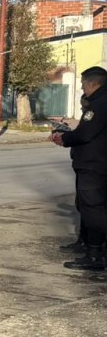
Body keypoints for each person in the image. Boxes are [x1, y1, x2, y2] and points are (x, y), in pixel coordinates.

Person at [51, 65, 107, 271]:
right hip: (99, 164)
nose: (82, 88)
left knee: (93, 209)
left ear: (93, 83)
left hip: (94, 166)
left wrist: (63, 137)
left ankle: (94, 255)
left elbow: (85, 134)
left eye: (83, 84)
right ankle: (90, 245)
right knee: (92, 207)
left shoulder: (98, 104)